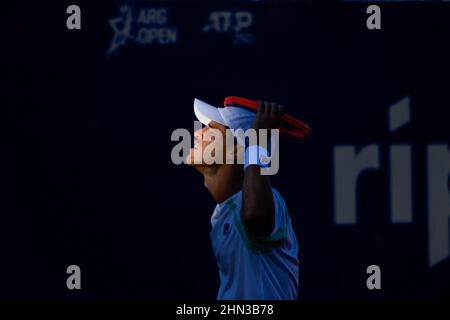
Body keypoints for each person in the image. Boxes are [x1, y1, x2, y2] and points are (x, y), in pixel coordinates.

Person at [186, 98, 299, 300]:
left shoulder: (270, 201)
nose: (197, 133)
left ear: (237, 150)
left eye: (210, 128)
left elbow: (256, 215)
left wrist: (257, 144)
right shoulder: (223, 212)